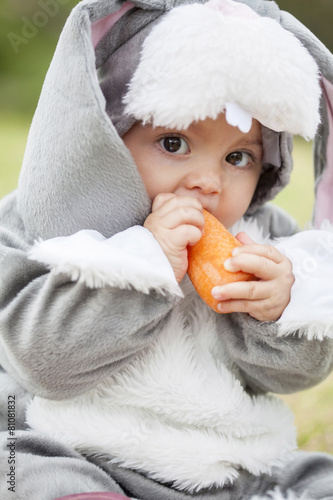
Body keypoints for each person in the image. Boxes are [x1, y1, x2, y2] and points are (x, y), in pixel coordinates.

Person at [1, 0, 333, 499]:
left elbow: (291, 378)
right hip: (76, 447)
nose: (208, 182)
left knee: (314, 476)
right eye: (173, 143)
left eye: (238, 157)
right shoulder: (45, 224)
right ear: (106, 133)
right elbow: (44, 365)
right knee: (18, 468)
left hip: (223, 464)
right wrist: (145, 265)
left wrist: (277, 312)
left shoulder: (263, 238)